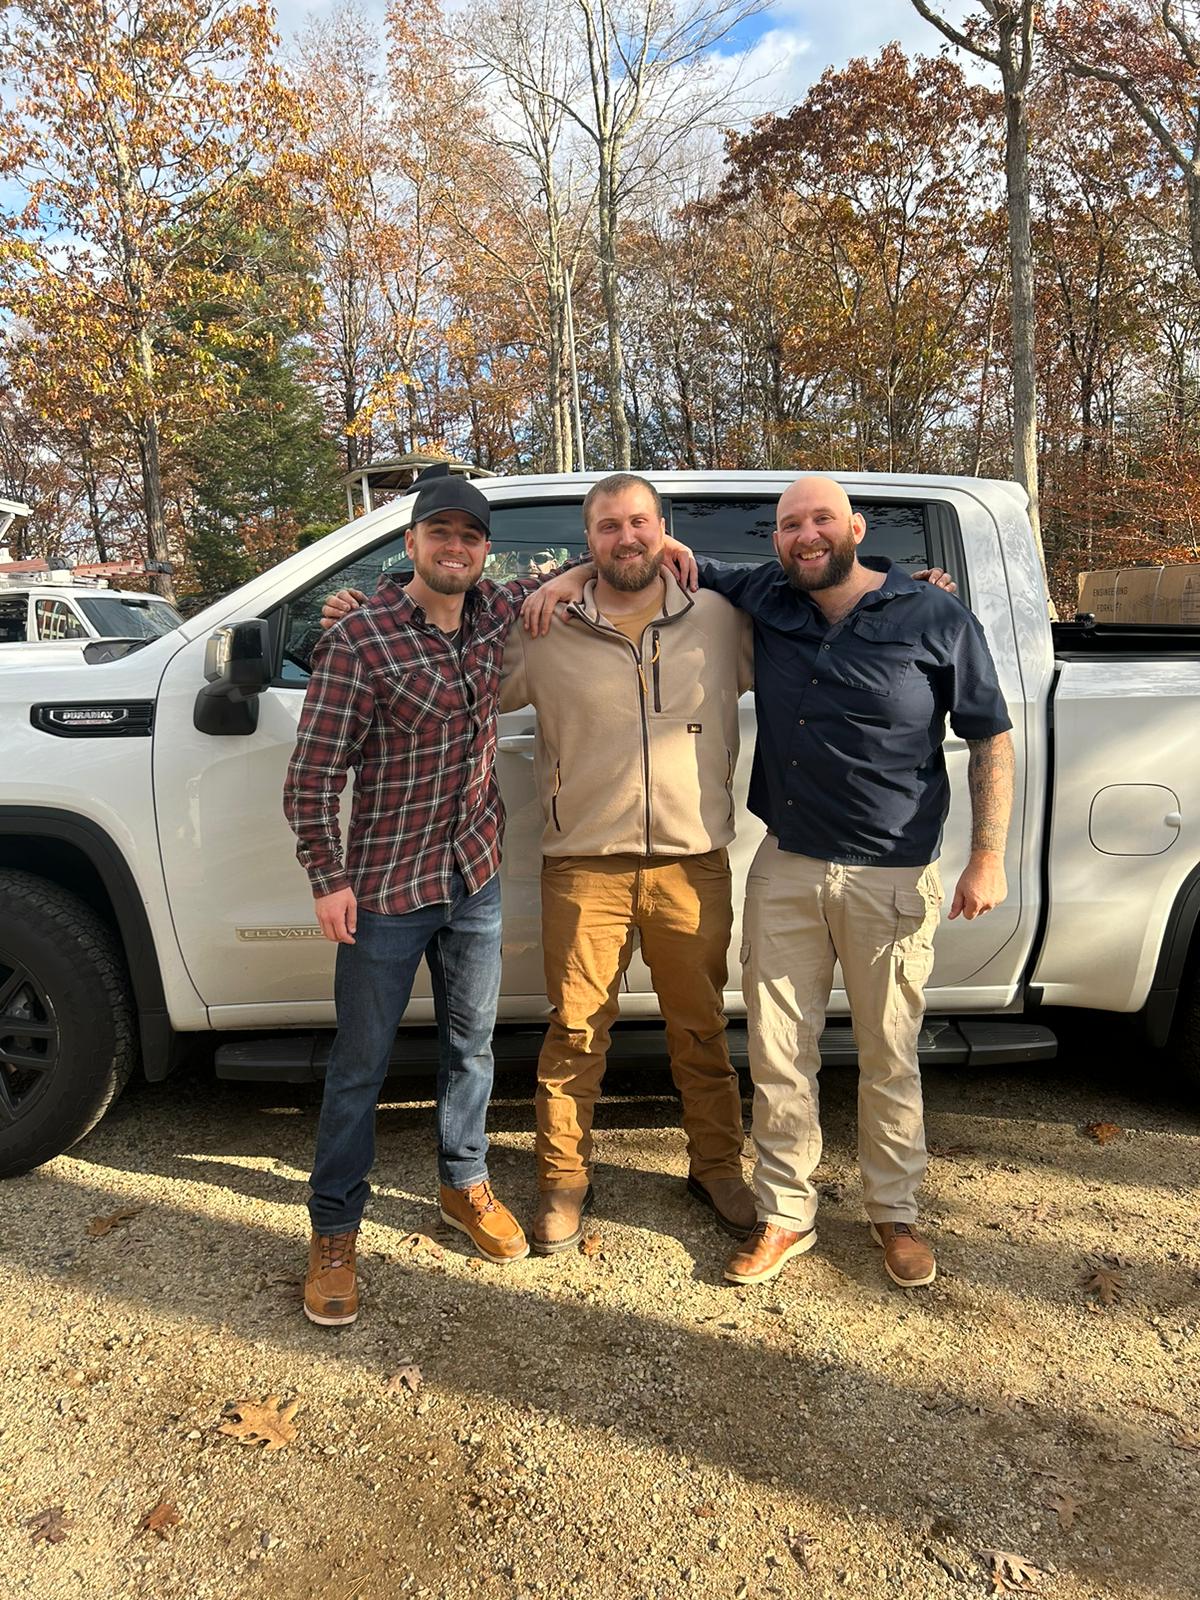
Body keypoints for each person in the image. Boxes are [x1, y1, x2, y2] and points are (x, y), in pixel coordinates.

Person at [323, 474, 761, 1253]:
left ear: (664, 530)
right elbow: (446, 636)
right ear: (585, 544)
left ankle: (718, 1164)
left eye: (640, 524)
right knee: (576, 1034)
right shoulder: (543, 626)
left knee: (699, 1028)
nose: (626, 538)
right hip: (583, 866)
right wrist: (367, 609)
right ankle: (562, 1180)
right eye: (606, 528)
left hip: (693, 863)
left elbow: (819, 617)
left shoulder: (724, 620)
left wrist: (909, 585)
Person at [671, 475, 1014, 1289]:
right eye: (790, 525)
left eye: (821, 519)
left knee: (888, 1051)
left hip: (892, 874)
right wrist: (576, 574)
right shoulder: (770, 595)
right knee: (779, 1052)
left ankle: (894, 1211)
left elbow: (990, 735)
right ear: (777, 541)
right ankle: (787, 1213)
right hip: (785, 866)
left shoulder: (933, 614)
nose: (805, 535)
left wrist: (989, 854)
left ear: (855, 528)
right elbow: (669, 560)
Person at [284, 464, 567, 1327]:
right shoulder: (359, 640)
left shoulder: (491, 613)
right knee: (360, 1066)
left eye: (470, 536)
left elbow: (568, 572)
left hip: (473, 873)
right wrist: (328, 878)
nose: (456, 547)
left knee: (471, 1048)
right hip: (385, 889)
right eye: (439, 533)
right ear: (410, 543)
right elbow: (311, 777)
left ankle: (464, 1182)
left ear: (484, 552)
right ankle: (334, 1230)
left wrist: (660, 543)